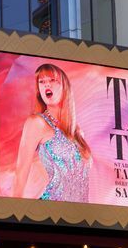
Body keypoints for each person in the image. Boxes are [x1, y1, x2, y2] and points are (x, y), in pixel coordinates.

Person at [13, 63, 91, 202]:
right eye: (41, 82)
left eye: (52, 80)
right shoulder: (36, 123)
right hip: (50, 214)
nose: (46, 85)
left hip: (80, 217)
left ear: (64, 87)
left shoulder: (78, 132)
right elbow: (20, 175)